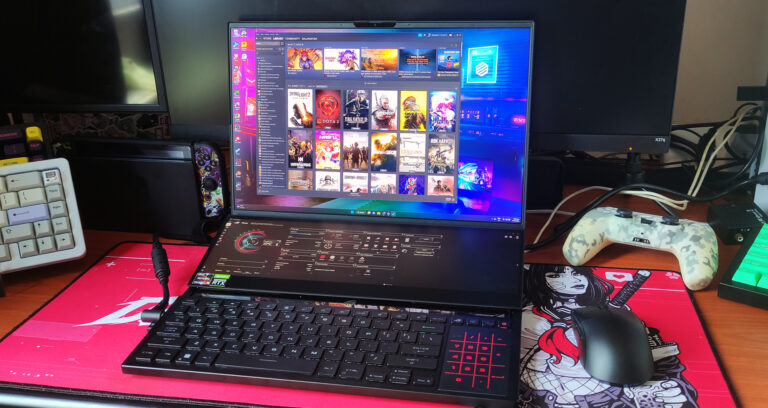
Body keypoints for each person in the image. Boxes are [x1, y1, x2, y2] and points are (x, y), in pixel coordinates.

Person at [519, 264, 699, 408]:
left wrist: (673, 390)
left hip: (605, 397)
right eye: (555, 275)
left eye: (577, 273)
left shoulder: (621, 315)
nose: (573, 279)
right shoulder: (530, 319)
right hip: (540, 393)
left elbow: (664, 363)